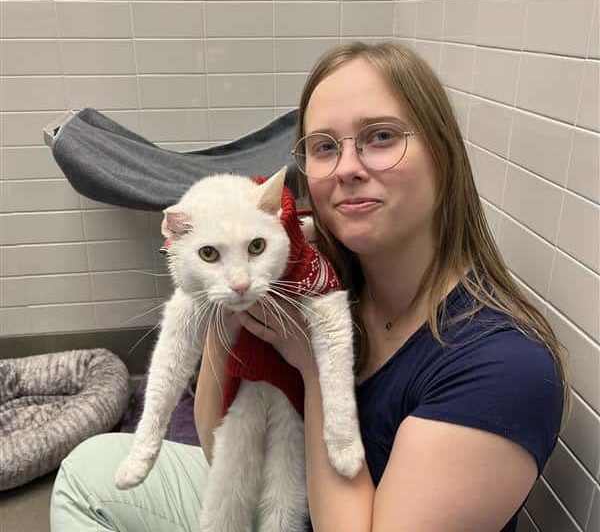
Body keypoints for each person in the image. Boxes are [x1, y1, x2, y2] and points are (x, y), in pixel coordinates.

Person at [50, 41, 568, 532]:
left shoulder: (504, 372)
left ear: (445, 154)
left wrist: (314, 365)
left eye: (381, 136)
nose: (347, 168)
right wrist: (222, 310)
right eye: (324, 147)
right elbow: (215, 445)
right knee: (88, 469)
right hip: (281, 494)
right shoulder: (321, 270)